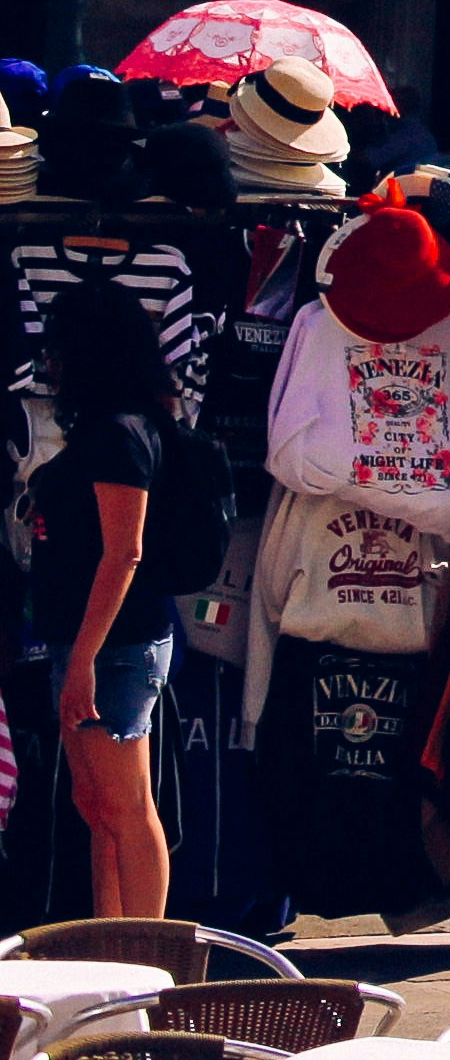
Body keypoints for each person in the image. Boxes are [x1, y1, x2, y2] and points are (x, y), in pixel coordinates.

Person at [32, 284, 179, 912]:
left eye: (59, 346)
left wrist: (84, 660)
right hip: (89, 637)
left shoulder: (120, 433)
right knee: (97, 807)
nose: (49, 361)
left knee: (126, 806)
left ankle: (149, 965)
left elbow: (126, 550)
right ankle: (111, 946)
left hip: (115, 645)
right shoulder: (106, 427)